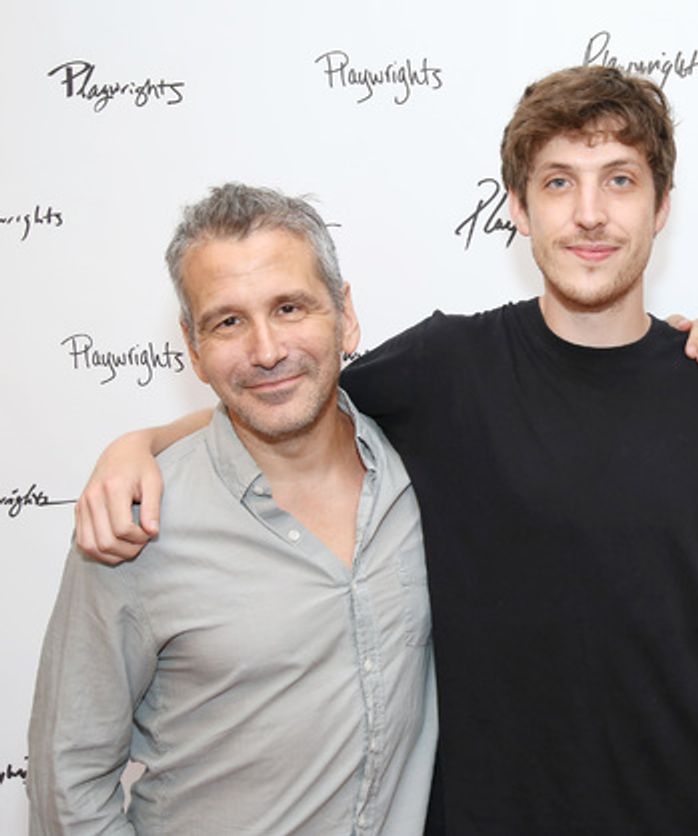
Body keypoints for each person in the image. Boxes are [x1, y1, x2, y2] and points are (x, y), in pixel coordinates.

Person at [68, 66, 698, 834]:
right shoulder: (445, 368)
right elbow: (293, 392)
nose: (591, 214)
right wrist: (139, 442)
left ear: (663, 206)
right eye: (560, 183)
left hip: (686, 808)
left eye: (622, 181)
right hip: (490, 815)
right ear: (519, 209)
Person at [28, 184, 438, 834]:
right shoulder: (135, 524)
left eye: (290, 307)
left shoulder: (424, 463)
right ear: (192, 348)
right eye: (228, 322)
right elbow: (68, 785)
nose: (268, 349)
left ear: (345, 313)